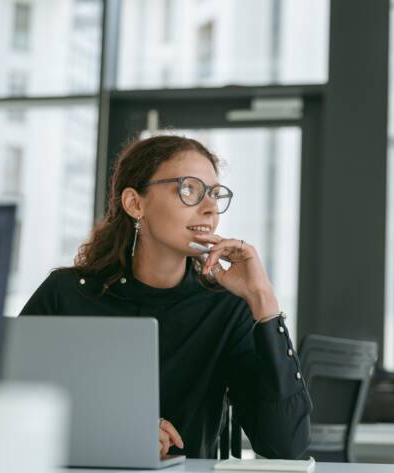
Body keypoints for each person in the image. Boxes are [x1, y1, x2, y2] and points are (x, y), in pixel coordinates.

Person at [20, 135, 312, 459]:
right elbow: (9, 406)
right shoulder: (67, 294)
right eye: (190, 189)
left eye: (215, 194)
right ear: (135, 203)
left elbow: (285, 445)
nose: (210, 207)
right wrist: (119, 426)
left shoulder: (225, 308)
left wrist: (263, 300)